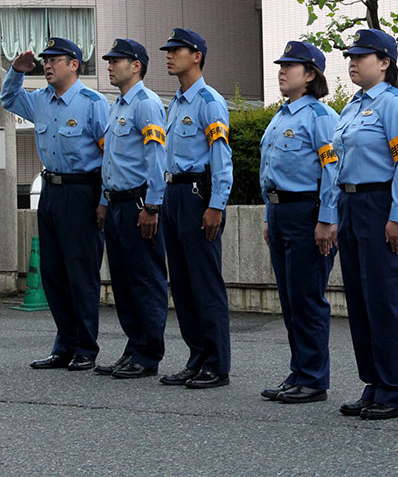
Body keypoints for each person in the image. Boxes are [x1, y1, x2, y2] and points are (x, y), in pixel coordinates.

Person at [0, 37, 109, 371]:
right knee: (53, 272)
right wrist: (16, 72)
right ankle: (64, 344)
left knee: (81, 271)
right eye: (45, 60)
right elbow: (7, 98)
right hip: (51, 189)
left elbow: (111, 156)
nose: (47, 65)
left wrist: (104, 200)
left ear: (74, 64)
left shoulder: (93, 103)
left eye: (55, 60)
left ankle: (86, 347)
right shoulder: (39, 100)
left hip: (83, 191)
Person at [332, 29, 398, 420]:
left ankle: (393, 389)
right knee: (359, 298)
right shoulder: (351, 107)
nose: (352, 61)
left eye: (361, 56)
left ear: (384, 62)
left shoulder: (394, 104)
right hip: (351, 204)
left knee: (384, 300)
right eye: (350, 56)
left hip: (380, 203)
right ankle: (372, 381)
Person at [259, 41, 339, 404]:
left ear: (310, 75)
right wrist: (267, 214)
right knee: (290, 299)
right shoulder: (281, 115)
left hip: (307, 213)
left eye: (290, 66)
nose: (281, 71)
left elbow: (332, 171)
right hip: (280, 212)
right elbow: (270, 171)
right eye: (281, 65)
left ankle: (313, 378)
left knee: (307, 298)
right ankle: (298, 371)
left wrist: (326, 219)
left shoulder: (320, 117)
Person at [158, 28, 234, 389]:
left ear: (197, 56)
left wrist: (216, 205)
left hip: (196, 194)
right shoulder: (174, 102)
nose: (169, 55)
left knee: (204, 282)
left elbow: (222, 158)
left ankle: (216, 363)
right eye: (168, 50)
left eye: (177, 50)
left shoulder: (209, 101)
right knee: (183, 284)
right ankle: (196, 356)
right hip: (173, 194)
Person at [94, 38, 169, 379]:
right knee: (123, 282)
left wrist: (152, 205)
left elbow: (156, 158)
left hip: (140, 203)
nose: (109, 65)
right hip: (118, 204)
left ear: (136, 65)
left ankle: (148, 353)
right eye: (109, 60)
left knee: (144, 280)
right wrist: (105, 201)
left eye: (116, 60)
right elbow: (112, 160)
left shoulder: (146, 103)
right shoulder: (118, 105)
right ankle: (134, 346)